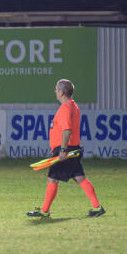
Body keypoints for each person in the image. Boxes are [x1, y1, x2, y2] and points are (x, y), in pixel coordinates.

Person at [27, 79, 105, 218]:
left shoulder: (65, 108)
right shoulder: (73, 106)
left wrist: (62, 150)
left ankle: (44, 211)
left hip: (66, 150)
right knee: (79, 177)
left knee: (53, 178)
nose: (56, 92)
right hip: (72, 148)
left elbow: (67, 130)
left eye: (57, 89)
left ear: (62, 92)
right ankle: (97, 207)